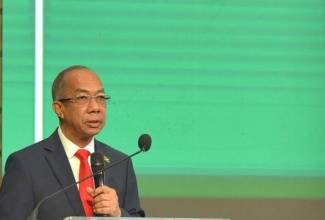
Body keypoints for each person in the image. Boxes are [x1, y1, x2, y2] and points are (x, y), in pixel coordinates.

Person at [0, 65, 145, 220]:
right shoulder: (26, 164)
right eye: (83, 98)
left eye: (101, 98)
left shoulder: (121, 163)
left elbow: (136, 216)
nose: (95, 107)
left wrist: (118, 213)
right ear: (59, 108)